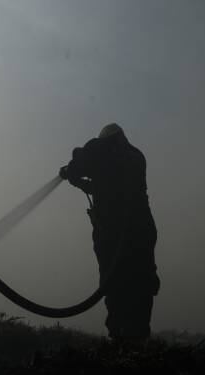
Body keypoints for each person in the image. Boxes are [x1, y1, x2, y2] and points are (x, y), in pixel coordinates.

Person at [59, 123, 160, 344]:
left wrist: (70, 173)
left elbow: (81, 163)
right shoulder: (136, 157)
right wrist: (82, 184)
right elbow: (110, 187)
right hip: (141, 231)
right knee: (141, 282)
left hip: (113, 234)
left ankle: (120, 337)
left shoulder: (102, 151)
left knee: (114, 282)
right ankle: (137, 338)